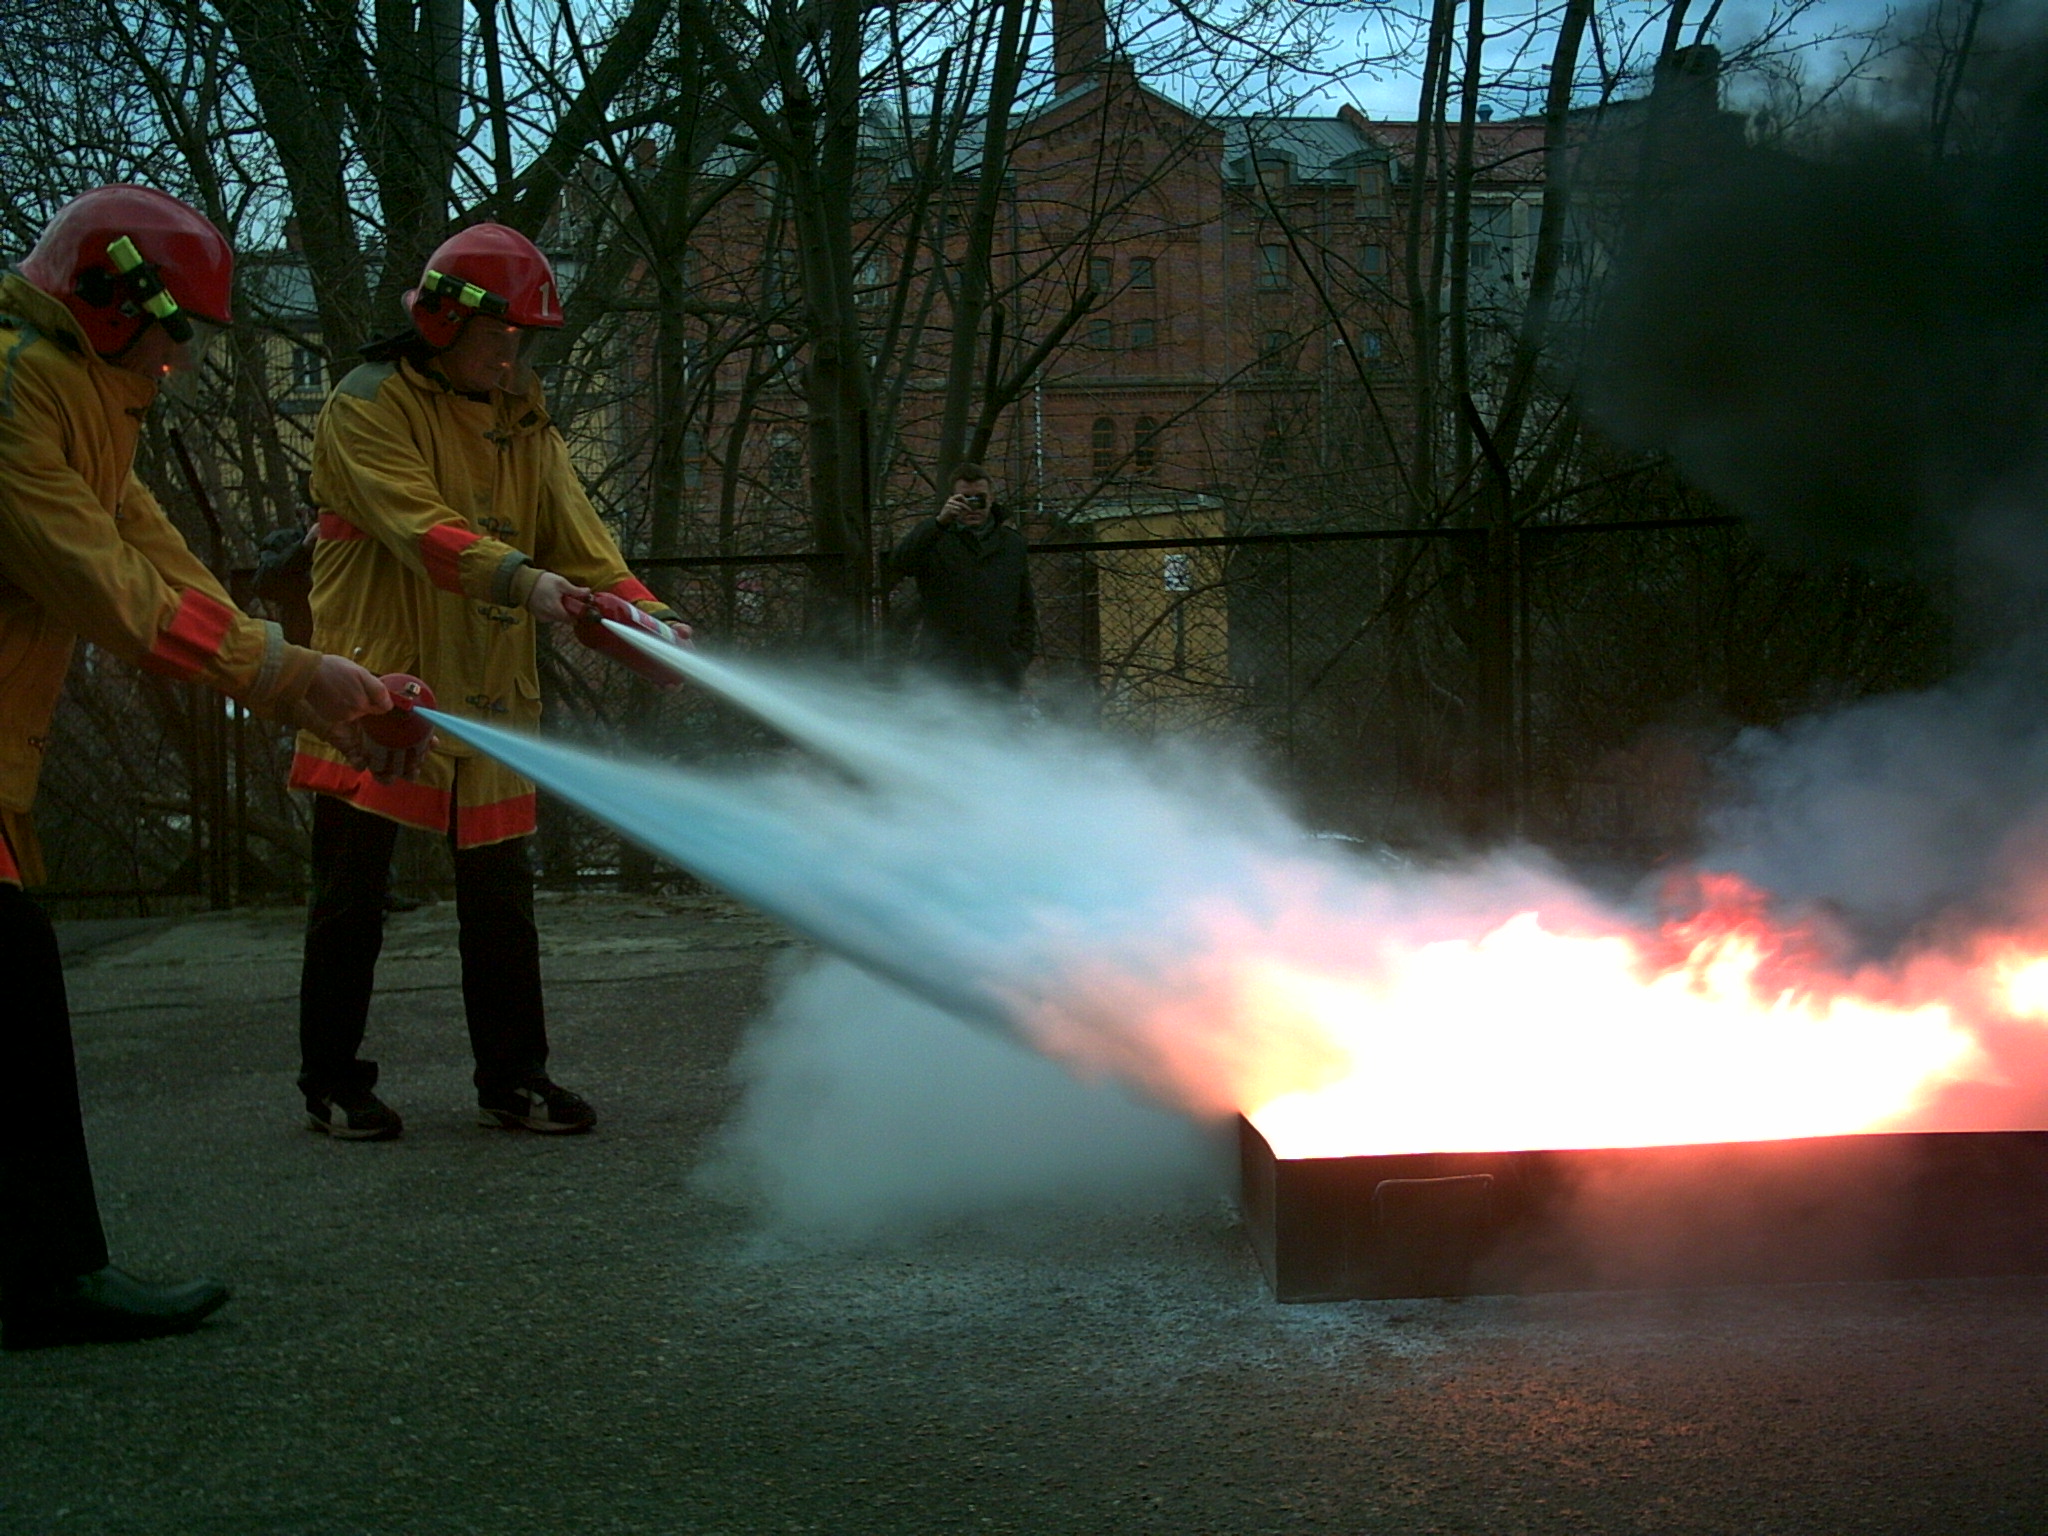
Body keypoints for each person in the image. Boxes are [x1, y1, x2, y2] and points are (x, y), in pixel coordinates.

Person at [0, 185, 405, 1349]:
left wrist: (299, 672)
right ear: (111, 294)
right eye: (176, 330)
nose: (180, 361)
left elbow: (153, 551)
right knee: (15, 994)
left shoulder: (80, 392)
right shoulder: (21, 389)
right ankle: (48, 1279)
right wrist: (285, 676)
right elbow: (105, 588)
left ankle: (38, 1274)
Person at [290, 222, 691, 1143]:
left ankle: (514, 1077)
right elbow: (418, 526)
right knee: (352, 894)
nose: (511, 355)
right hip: (380, 689)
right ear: (440, 321)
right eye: (497, 335)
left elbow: (578, 536)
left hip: (492, 695)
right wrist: (529, 583)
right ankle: (329, 1080)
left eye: (523, 340)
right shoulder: (366, 405)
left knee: (503, 900)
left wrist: (649, 617)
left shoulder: (523, 418)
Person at [884, 461, 1037, 692]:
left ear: (992, 498)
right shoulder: (935, 539)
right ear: (953, 500)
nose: (973, 506)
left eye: (979, 498)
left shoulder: (1011, 544)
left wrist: (1019, 657)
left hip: (999, 670)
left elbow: (1025, 606)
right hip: (944, 670)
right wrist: (938, 523)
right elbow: (900, 563)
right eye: (965, 498)